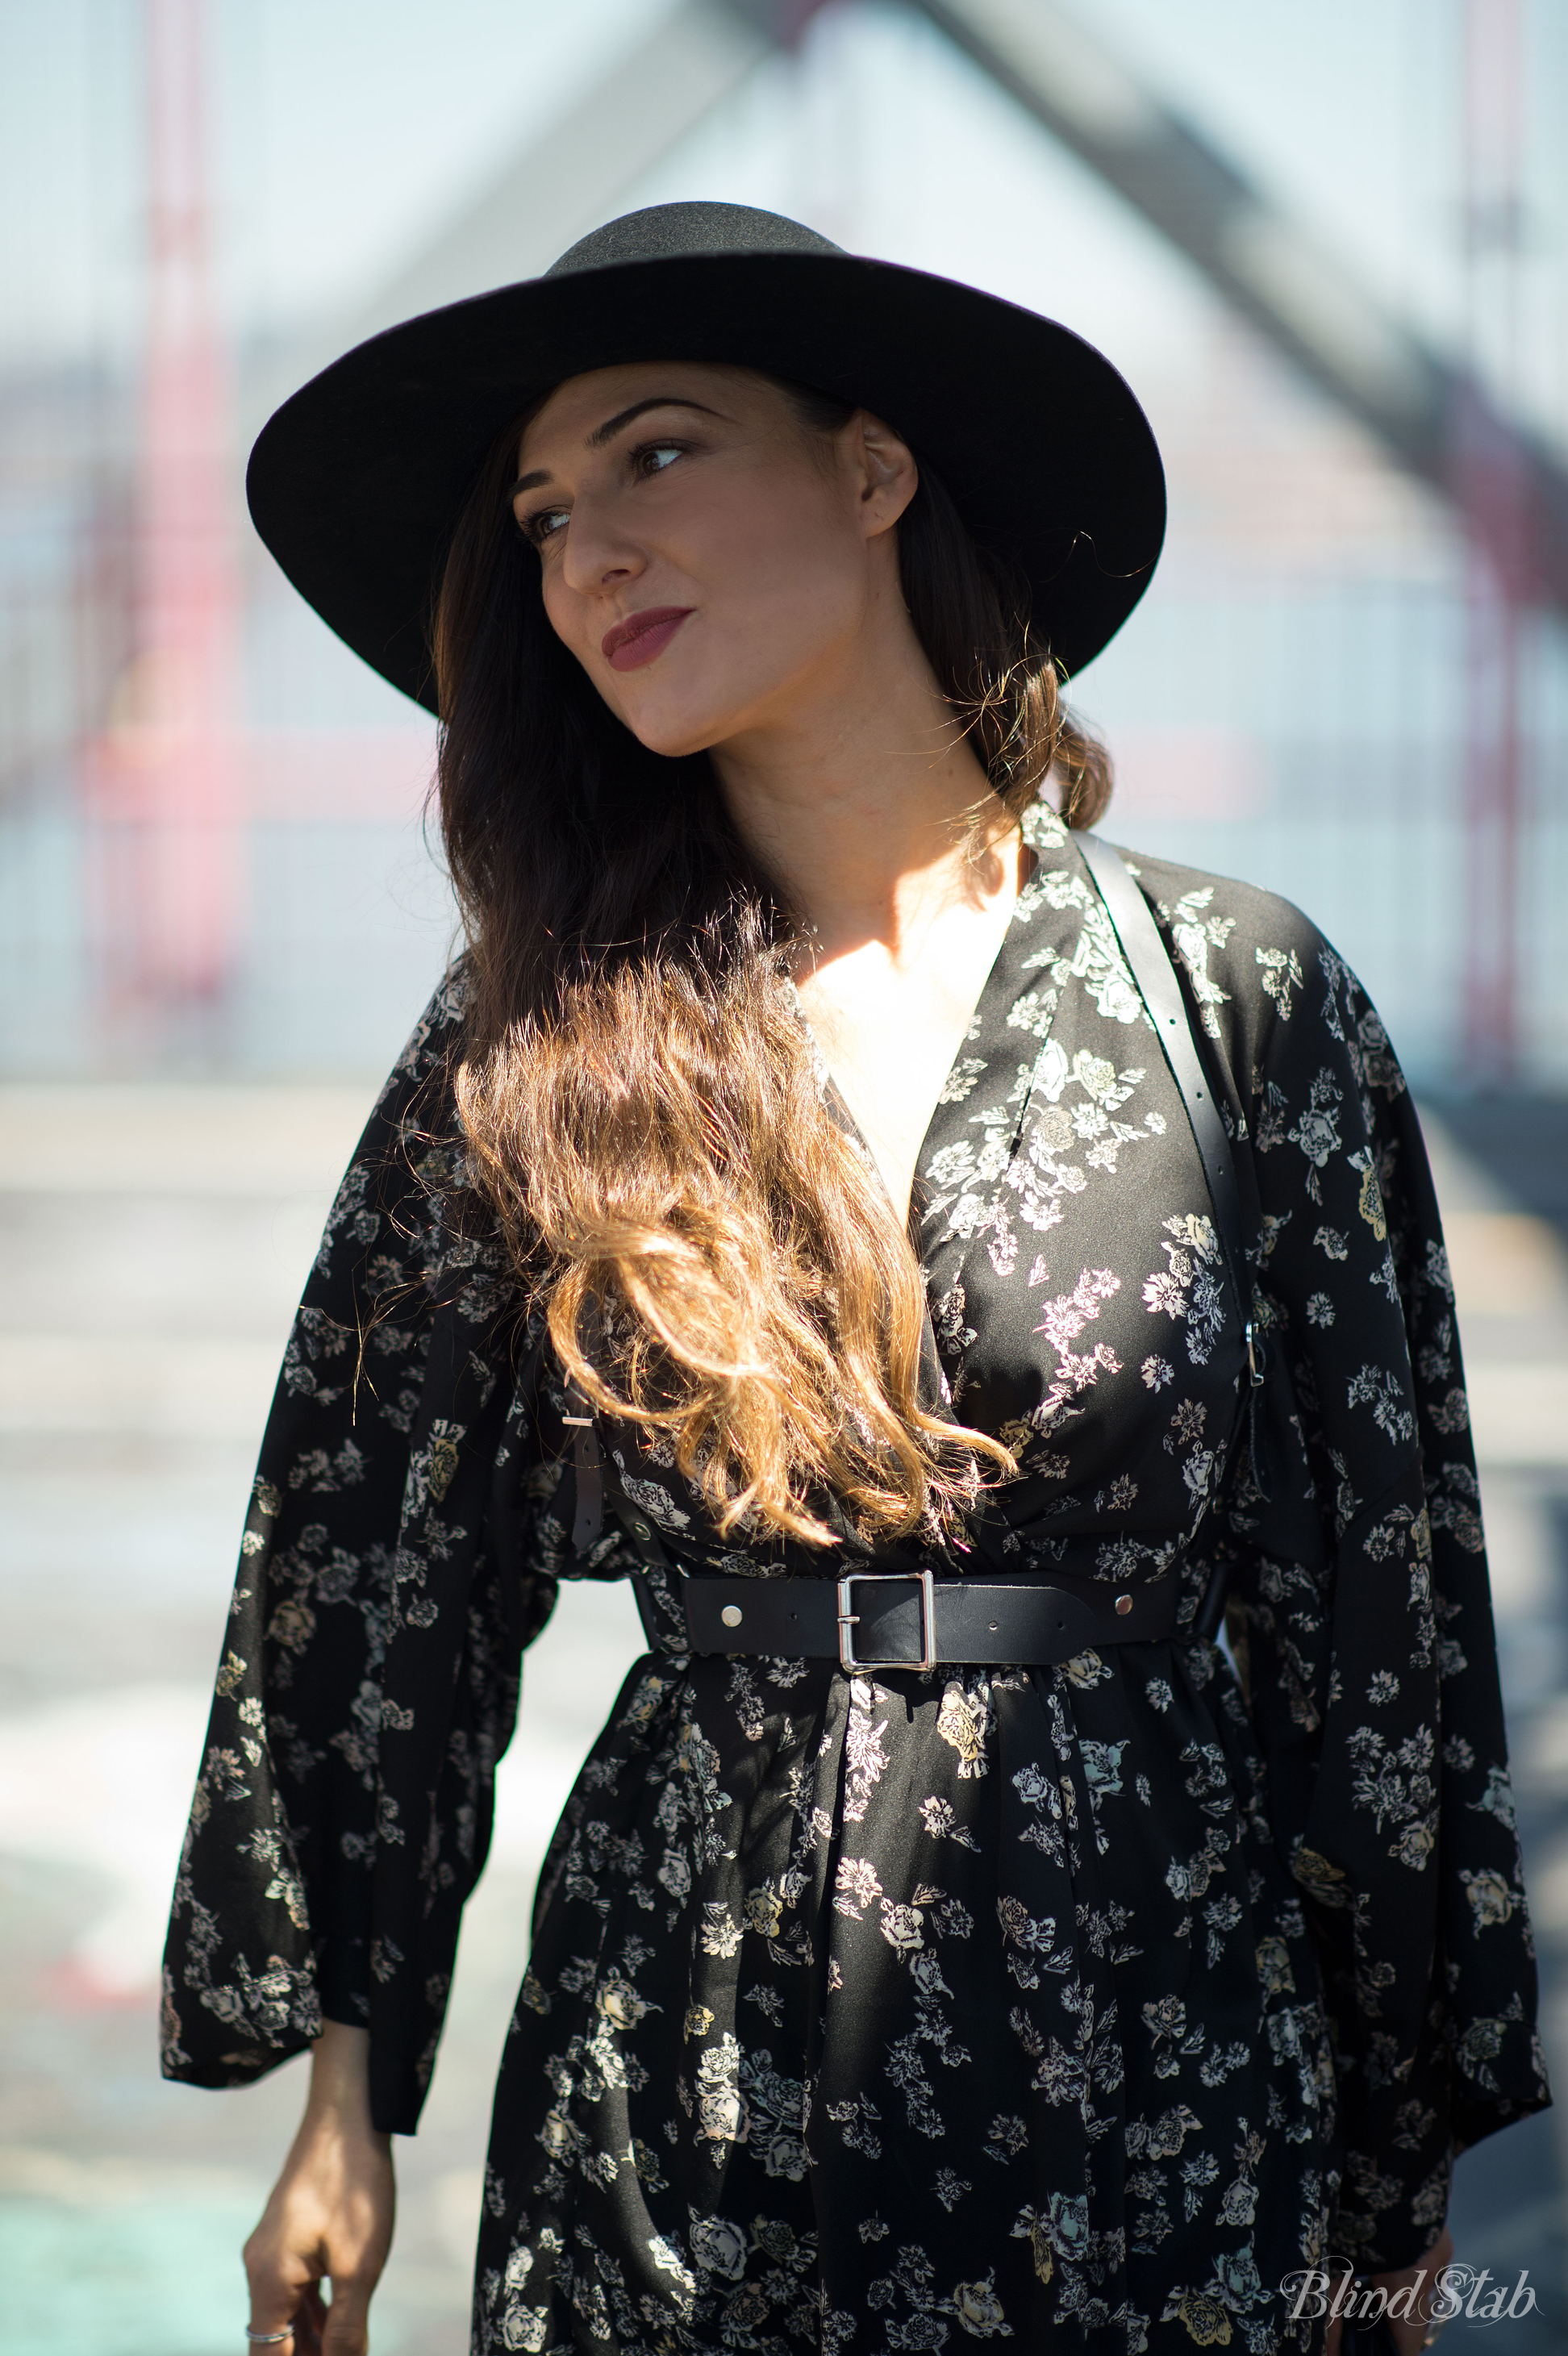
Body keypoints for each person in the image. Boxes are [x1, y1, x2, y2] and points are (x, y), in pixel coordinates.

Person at [161, 203, 1549, 2356]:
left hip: (1161, 2071)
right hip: (674, 2096)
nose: (587, 550)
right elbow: (370, 1572)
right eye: (542, 513)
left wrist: (1398, 2157)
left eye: (657, 454)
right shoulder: (539, 1046)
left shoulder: (1233, 996)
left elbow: (1382, 1613)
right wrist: (346, 2094)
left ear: (877, 467)